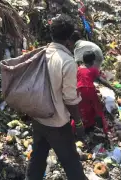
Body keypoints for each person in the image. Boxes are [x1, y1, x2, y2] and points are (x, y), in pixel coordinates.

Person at [25, 14, 87, 180]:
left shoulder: (40, 54)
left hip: (38, 117)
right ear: (69, 38)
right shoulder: (67, 62)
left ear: (51, 33)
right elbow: (69, 99)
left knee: (37, 158)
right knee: (71, 162)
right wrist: (79, 122)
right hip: (57, 123)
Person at [71, 51, 117, 134]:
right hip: (89, 90)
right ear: (93, 61)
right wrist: (113, 88)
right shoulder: (93, 69)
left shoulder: (79, 68)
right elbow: (102, 80)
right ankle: (103, 129)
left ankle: (75, 129)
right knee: (96, 108)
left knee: (81, 109)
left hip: (78, 91)